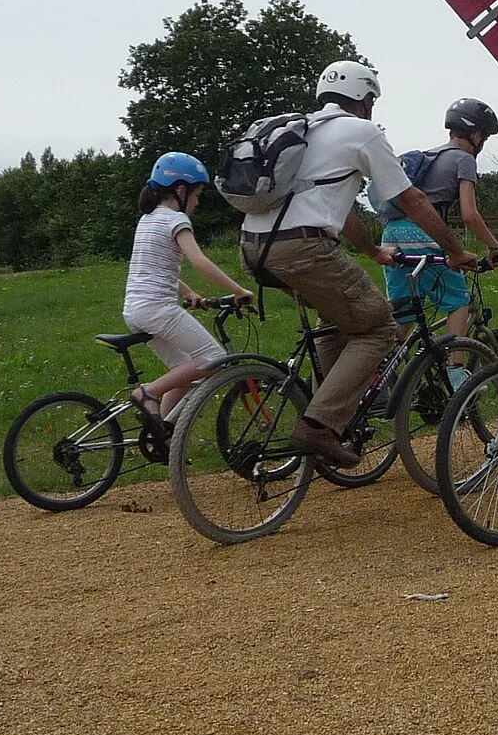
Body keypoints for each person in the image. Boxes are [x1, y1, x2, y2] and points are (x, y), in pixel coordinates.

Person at [239, 60, 478, 465]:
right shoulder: (361, 132)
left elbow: (341, 208)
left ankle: (328, 413)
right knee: (379, 327)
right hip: (303, 249)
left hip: (253, 247)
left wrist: (371, 253)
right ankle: (318, 426)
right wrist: (455, 251)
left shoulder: (302, 129)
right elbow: (412, 200)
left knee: (336, 324)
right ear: (365, 99)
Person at [378, 97, 498, 388]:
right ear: (476, 135)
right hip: (423, 232)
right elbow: (470, 215)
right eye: (484, 136)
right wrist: (494, 247)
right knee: (458, 301)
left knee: (405, 310)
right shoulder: (464, 160)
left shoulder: (428, 155)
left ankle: (380, 374)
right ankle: (456, 377)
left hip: (391, 234)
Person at [124, 152, 254, 430]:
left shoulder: (148, 219)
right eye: (197, 195)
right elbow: (200, 261)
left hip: (136, 310)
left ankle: (164, 433)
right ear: (181, 191)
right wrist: (238, 289)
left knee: (185, 372)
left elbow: (154, 269)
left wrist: (188, 292)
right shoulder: (176, 221)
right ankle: (149, 393)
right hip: (157, 310)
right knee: (214, 359)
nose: (196, 202)